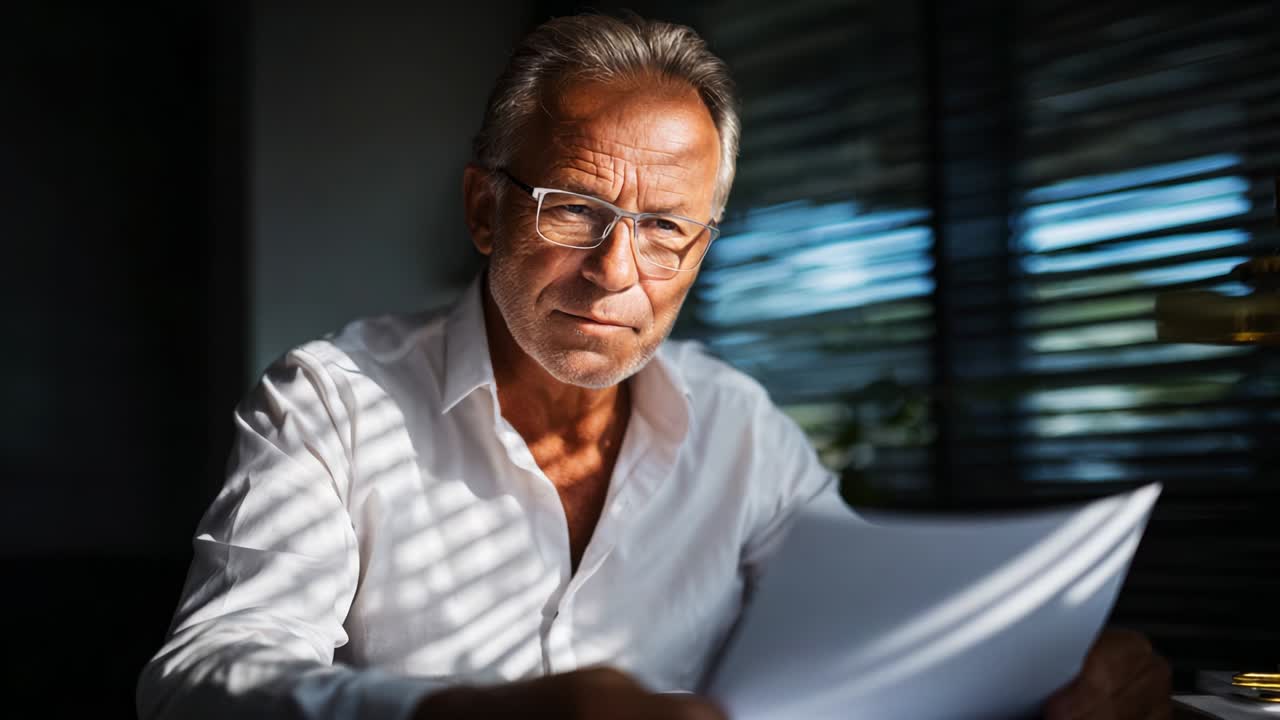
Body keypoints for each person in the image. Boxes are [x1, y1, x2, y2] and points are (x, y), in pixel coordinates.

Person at [136, 12, 1172, 720]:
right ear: (484, 210)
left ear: (702, 246)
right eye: (574, 210)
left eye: (664, 226)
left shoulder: (738, 427)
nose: (614, 272)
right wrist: (469, 716)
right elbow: (199, 679)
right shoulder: (333, 402)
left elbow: (877, 638)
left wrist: (1055, 665)